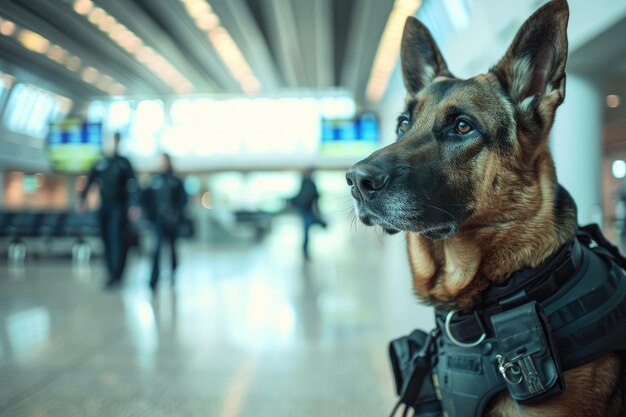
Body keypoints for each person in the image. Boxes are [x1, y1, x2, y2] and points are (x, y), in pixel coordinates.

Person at [77, 132, 141, 289]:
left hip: (119, 207)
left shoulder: (124, 163)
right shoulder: (100, 162)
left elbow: (133, 185)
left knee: (116, 239)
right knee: (105, 239)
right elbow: (90, 181)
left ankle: (117, 274)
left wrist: (133, 204)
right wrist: (82, 200)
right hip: (104, 207)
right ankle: (110, 272)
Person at [143, 153, 187, 291]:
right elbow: (145, 200)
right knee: (156, 249)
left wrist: (177, 215)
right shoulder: (153, 181)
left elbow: (183, 200)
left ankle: (173, 272)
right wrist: (149, 216)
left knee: (172, 249)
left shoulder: (176, 180)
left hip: (172, 221)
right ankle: (154, 279)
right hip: (158, 221)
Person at [290, 168, 327, 260]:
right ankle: (305, 252)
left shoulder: (308, 184)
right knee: (306, 231)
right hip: (306, 211)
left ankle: (305, 252)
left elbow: (313, 199)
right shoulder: (307, 184)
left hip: (307, 211)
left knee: (307, 230)